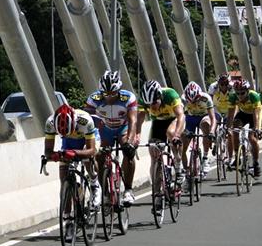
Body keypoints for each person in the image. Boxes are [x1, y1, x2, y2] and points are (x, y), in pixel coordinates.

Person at [85, 70, 138, 205]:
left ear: (119, 89)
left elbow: (133, 121)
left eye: (113, 93)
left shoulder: (128, 98)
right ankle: (106, 193)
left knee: (128, 152)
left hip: (123, 128)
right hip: (105, 129)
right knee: (99, 157)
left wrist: (130, 142)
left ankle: (128, 190)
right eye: (106, 94)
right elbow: (88, 121)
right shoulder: (94, 99)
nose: (109, 97)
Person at [135, 80, 185, 211]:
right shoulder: (144, 101)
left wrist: (177, 136)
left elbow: (181, 116)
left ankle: (179, 165)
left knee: (170, 133)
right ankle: (157, 194)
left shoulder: (170, 95)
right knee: (154, 155)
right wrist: (137, 136)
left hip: (174, 119)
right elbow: (139, 119)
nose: (151, 107)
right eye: (148, 105)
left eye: (154, 103)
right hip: (158, 122)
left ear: (159, 97)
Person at [44, 103, 102, 208]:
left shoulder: (85, 120)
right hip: (68, 142)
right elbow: (48, 151)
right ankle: (67, 217)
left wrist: (75, 153)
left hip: (87, 140)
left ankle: (94, 183)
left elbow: (91, 150)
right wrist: (55, 156)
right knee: (63, 179)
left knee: (87, 158)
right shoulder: (50, 123)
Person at [226, 78, 262, 178]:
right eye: (237, 93)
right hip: (242, 113)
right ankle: (238, 157)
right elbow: (230, 114)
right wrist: (227, 128)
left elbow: (256, 114)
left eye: (242, 93)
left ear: (247, 91)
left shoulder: (253, 96)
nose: (240, 95)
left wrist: (257, 128)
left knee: (252, 138)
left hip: (254, 115)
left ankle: (256, 163)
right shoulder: (233, 97)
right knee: (235, 129)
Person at [180, 81, 216, 176]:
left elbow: (213, 118)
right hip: (191, 118)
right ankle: (186, 173)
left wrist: (211, 132)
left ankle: (205, 158)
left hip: (203, 116)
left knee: (205, 125)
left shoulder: (206, 98)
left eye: (196, 101)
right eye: (190, 101)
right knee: (183, 144)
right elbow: (180, 117)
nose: (193, 103)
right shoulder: (183, 99)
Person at [208, 73, 237, 165]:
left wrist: (232, 117)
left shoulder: (233, 88)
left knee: (229, 132)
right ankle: (216, 142)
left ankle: (230, 157)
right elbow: (209, 101)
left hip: (229, 109)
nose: (224, 86)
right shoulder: (213, 87)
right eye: (222, 84)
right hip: (217, 109)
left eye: (226, 84)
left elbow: (236, 104)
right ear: (218, 83)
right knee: (213, 124)